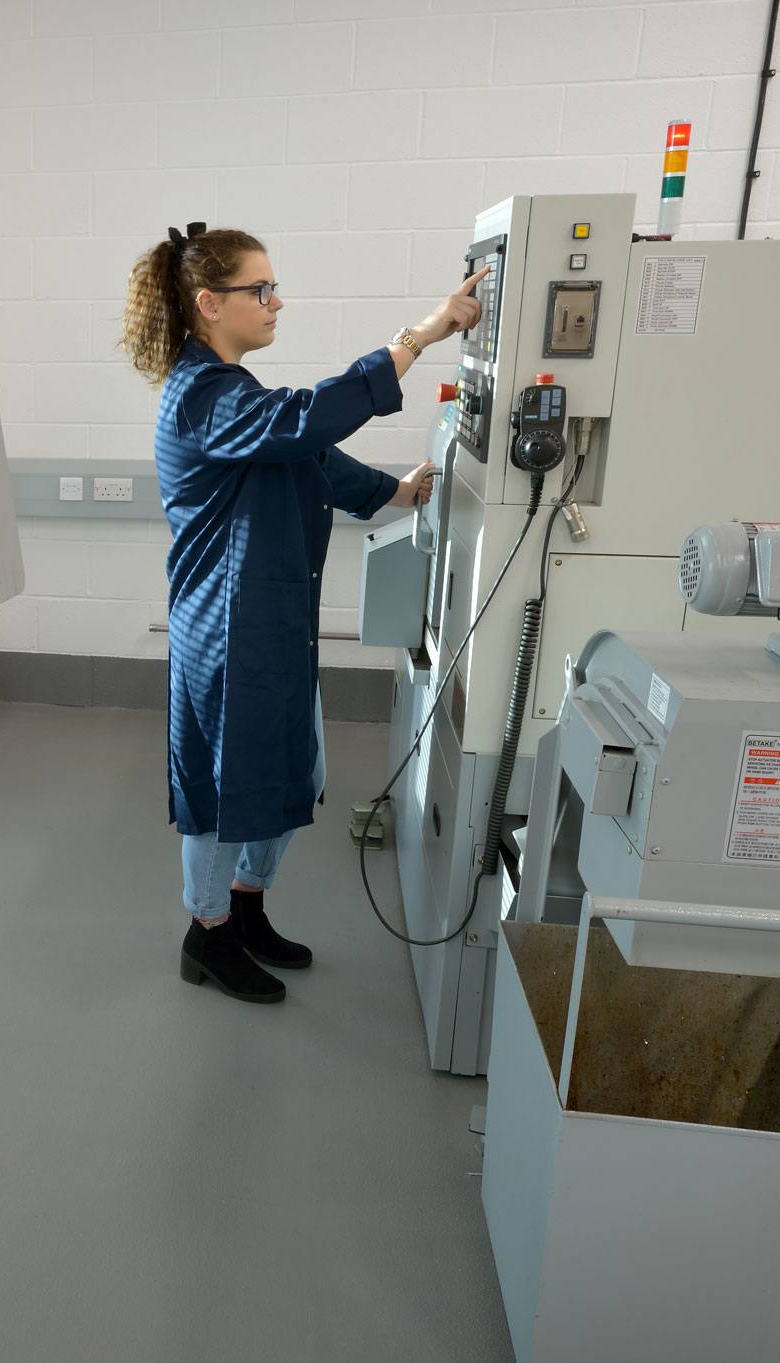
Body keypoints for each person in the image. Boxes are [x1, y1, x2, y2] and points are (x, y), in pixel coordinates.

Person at [121, 221, 486, 1005]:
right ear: (209, 304)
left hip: (272, 622)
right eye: (262, 289)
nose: (276, 301)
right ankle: (207, 934)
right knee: (227, 792)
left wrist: (396, 492)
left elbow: (309, 454)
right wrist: (420, 336)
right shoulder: (201, 397)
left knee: (293, 772)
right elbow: (305, 421)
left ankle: (246, 910)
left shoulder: (239, 395)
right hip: (225, 629)